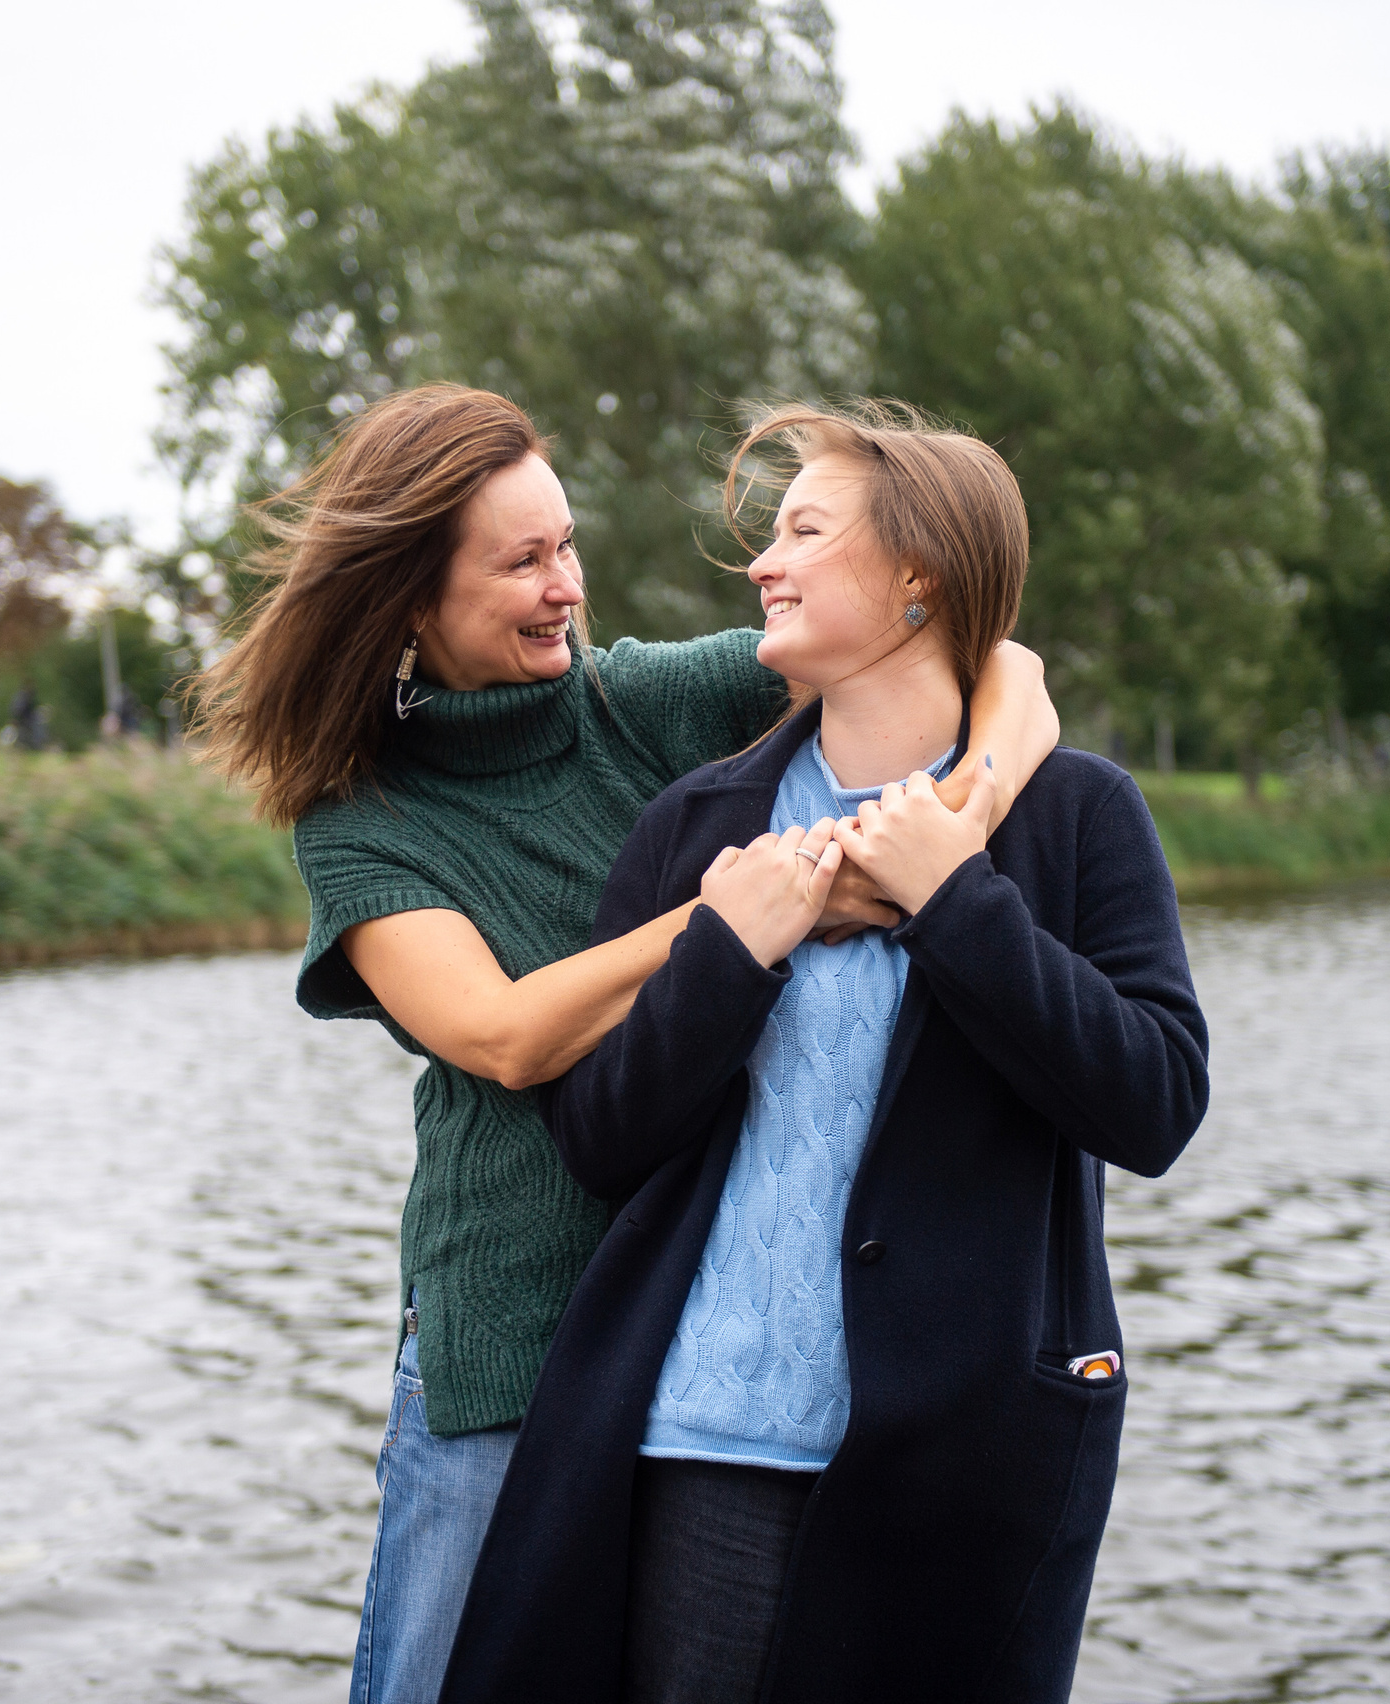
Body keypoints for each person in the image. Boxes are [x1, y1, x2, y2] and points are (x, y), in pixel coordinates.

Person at [185, 384, 1063, 1704]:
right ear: (409, 599)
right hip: (516, 1329)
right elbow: (504, 1036)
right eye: (523, 563)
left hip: (687, 1334)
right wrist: (743, 914)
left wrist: (965, 811)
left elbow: (1001, 663)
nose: (565, 589)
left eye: (568, 547)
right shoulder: (359, 822)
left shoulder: (643, 702)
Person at [441, 402, 1210, 1704]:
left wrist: (961, 902)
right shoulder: (698, 823)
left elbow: (1156, 1105)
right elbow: (601, 1139)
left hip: (965, 1464)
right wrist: (727, 957)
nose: (761, 563)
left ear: (921, 573)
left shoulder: (1080, 813)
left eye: (802, 528)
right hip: (702, 1452)